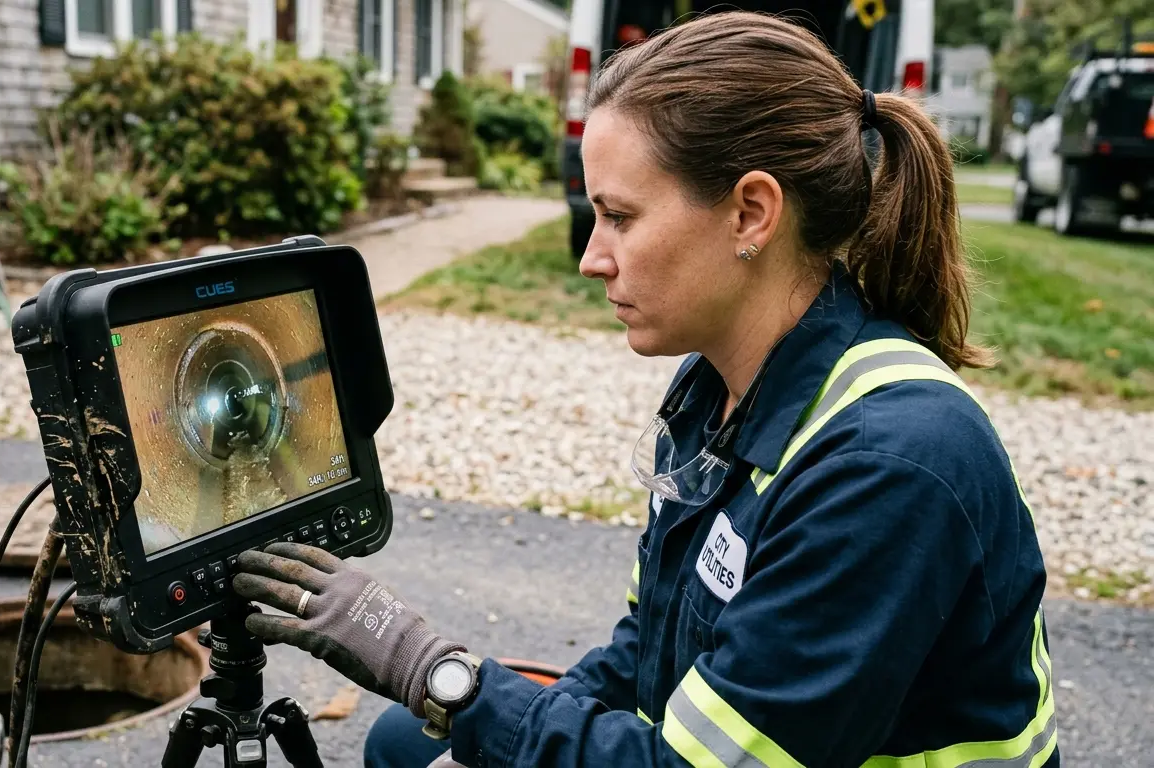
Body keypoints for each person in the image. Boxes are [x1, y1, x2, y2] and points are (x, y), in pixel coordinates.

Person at [230, 11, 1058, 767]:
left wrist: (435, 670)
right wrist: (472, 725)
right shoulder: (717, 389)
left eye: (620, 217)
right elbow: (646, 653)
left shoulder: (890, 466)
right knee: (412, 743)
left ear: (751, 214)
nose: (592, 257)